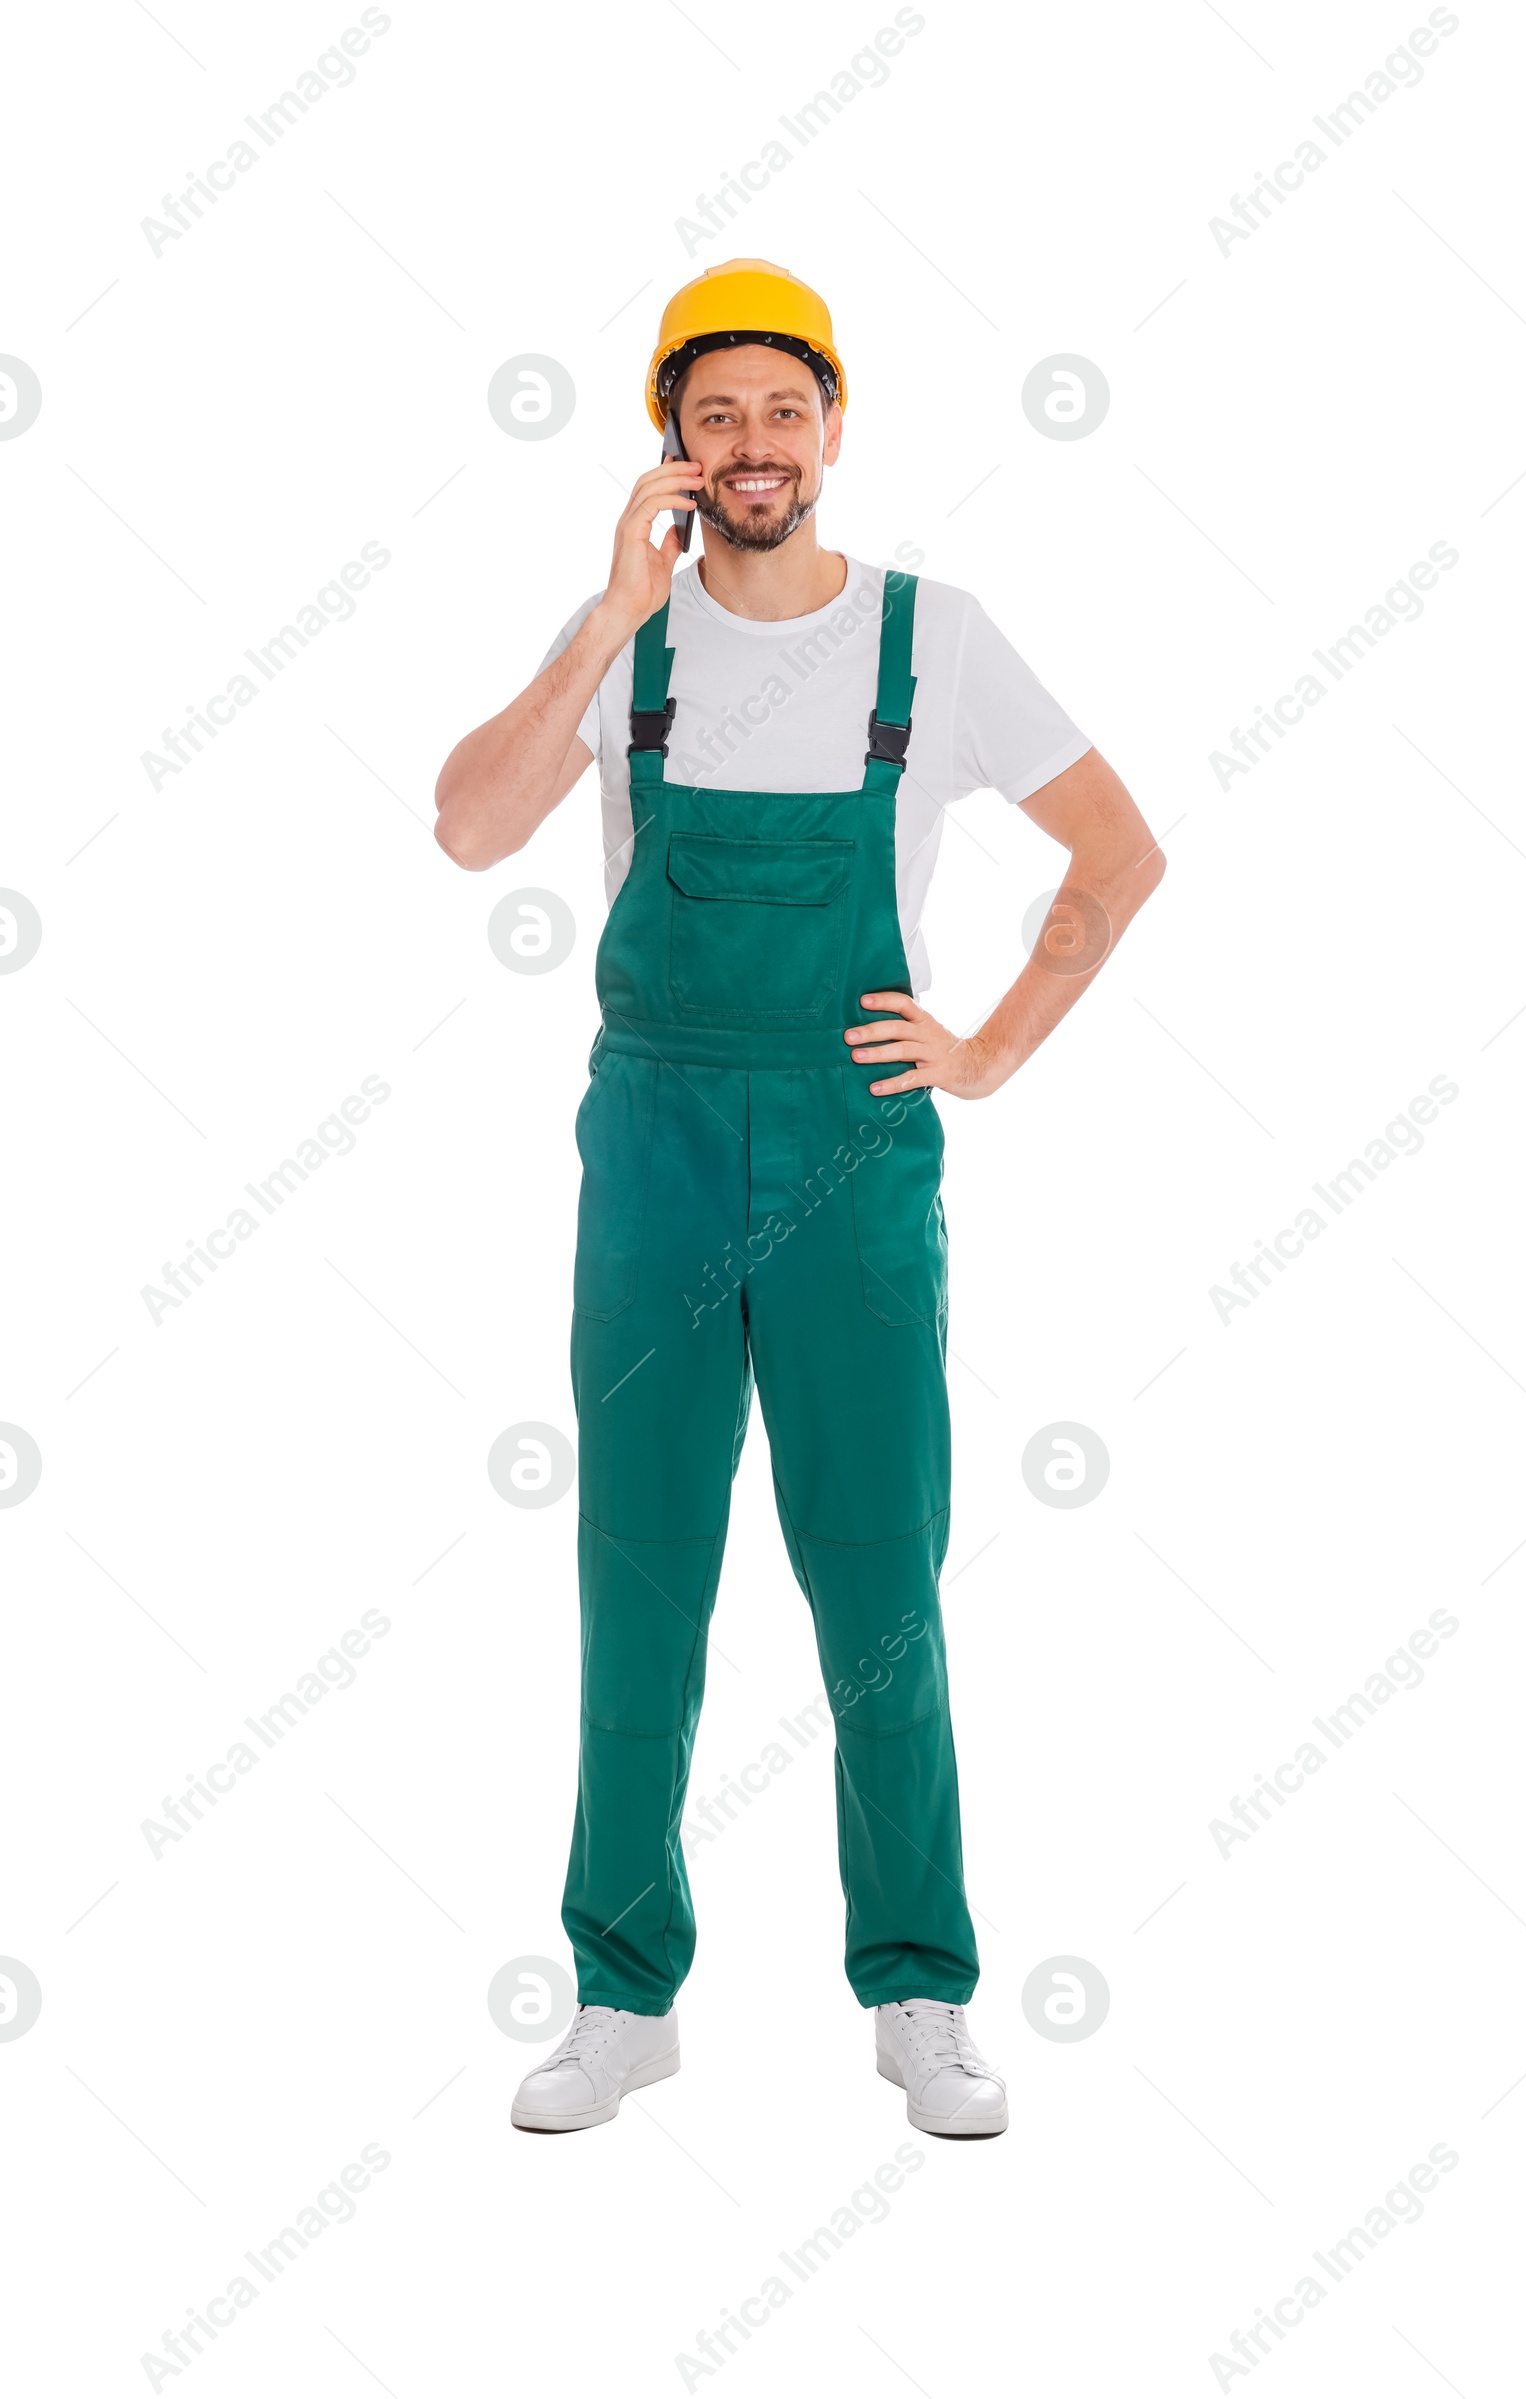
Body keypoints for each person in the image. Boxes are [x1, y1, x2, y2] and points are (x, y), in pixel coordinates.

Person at [435, 259, 1165, 2138]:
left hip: (852, 1153)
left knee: (880, 1587)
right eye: (717, 412)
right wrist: (606, 615)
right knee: (638, 1581)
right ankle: (620, 1989)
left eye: (785, 407)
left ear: (835, 426)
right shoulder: (631, 646)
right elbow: (468, 823)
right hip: (655, 1150)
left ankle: (919, 1992)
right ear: (670, 443)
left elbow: (1120, 849)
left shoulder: (936, 635)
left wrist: (991, 1047)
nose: (753, 444)